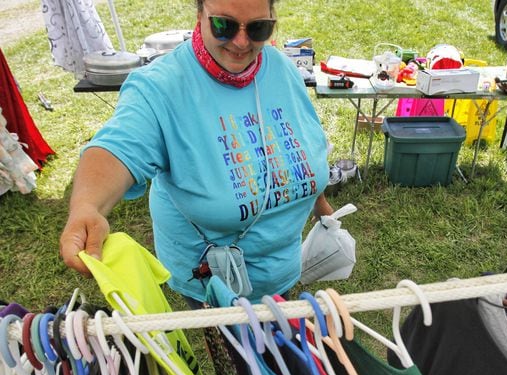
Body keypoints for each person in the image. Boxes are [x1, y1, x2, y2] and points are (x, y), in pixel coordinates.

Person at [59, 0, 334, 305]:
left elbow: (301, 145)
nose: (242, 42)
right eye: (224, 26)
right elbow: (117, 147)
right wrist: (87, 206)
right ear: (200, 13)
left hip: (282, 272)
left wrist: (318, 199)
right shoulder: (161, 87)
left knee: (275, 350)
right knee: (235, 352)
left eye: (258, 28)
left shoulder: (282, 69)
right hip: (214, 281)